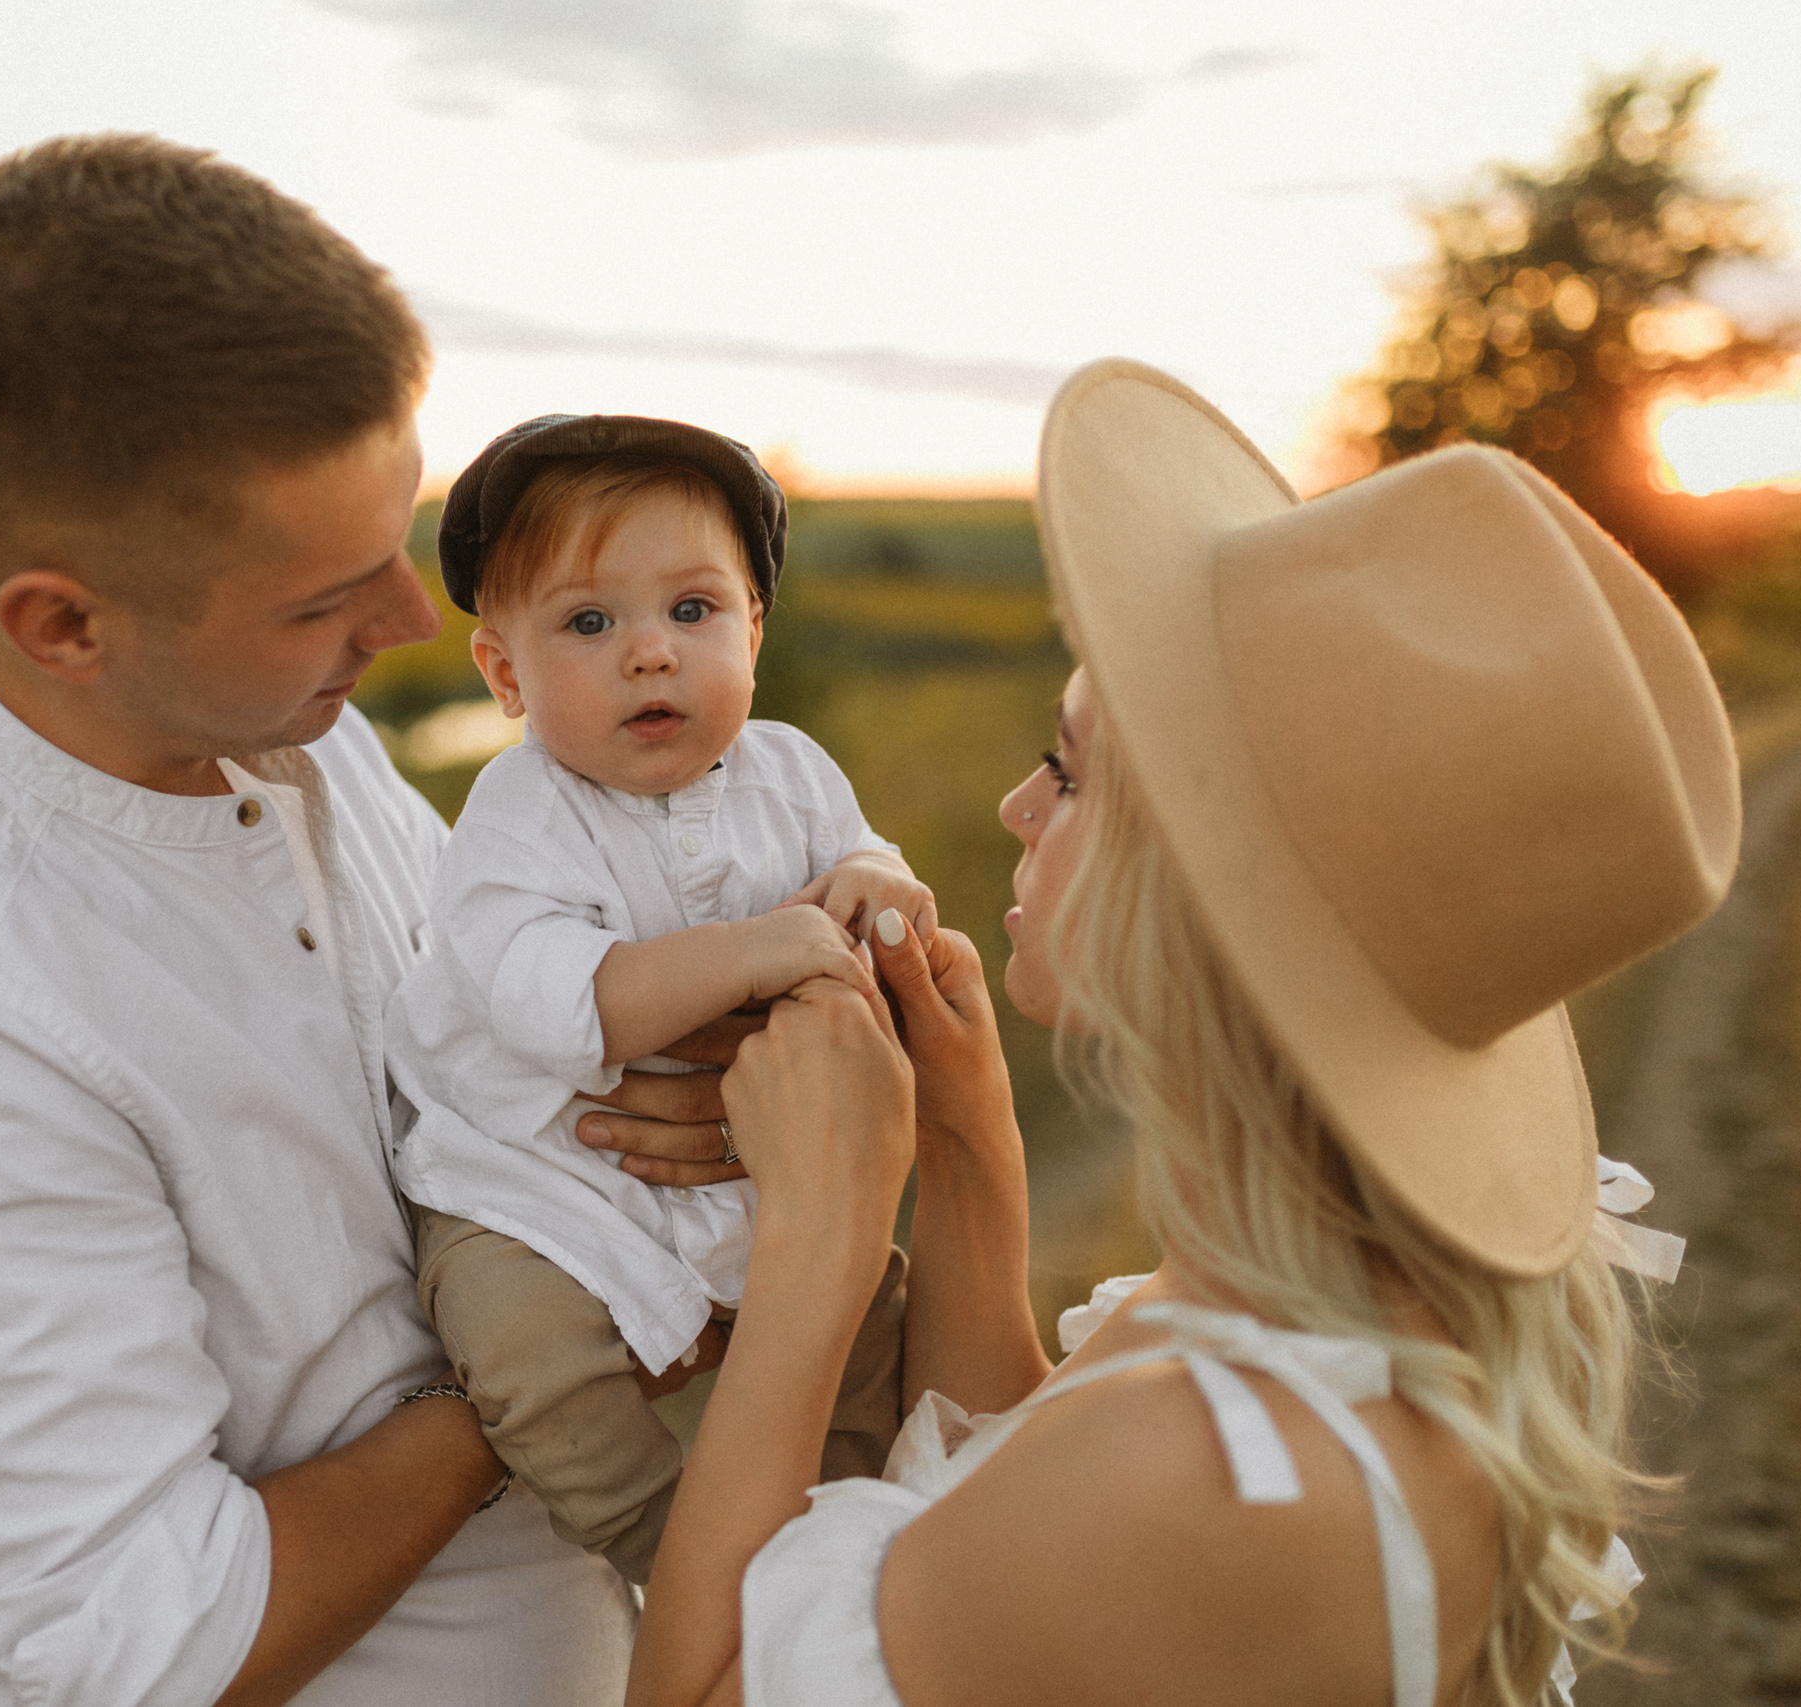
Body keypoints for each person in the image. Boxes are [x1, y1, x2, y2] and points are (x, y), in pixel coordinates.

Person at [0, 135, 723, 1707]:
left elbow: (467, 1057)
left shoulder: (289, 728)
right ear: (65, 621)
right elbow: (127, 1637)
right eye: (327, 594)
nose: (412, 622)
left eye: (400, 535)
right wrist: (555, 1356)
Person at [618, 359, 1735, 1707]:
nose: (1018, 805)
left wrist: (824, 1233)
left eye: (1075, 768)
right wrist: (968, 1133)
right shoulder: (1331, 1298)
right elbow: (990, 1502)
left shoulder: (1194, 1472)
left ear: (1211, 900)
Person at [386, 415, 934, 1584]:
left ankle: (851, 1529)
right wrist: (751, 951)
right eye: (589, 623)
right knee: (523, 1359)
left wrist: (876, 879)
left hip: (748, 1168)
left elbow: (864, 863)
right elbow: (554, 1002)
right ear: (503, 673)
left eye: (692, 611)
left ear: (753, 628)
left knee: (867, 1304)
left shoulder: (790, 773)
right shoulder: (518, 815)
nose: (650, 653)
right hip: (537, 1177)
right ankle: (672, 1551)